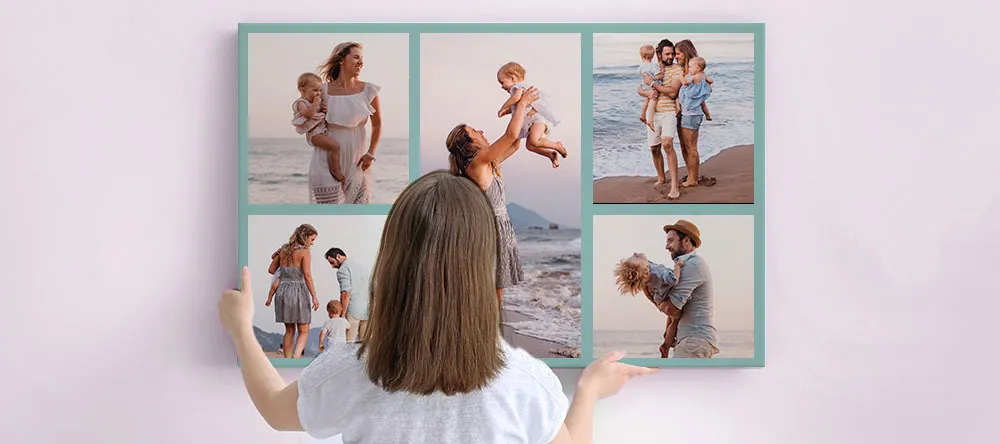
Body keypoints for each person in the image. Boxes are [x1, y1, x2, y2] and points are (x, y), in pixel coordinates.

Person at [219, 170, 658, 443]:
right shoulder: (523, 383)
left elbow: (275, 410)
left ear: (392, 262)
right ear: (480, 269)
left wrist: (242, 329)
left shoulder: (350, 372)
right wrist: (589, 390)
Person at [447, 86, 541, 306]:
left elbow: (514, 144)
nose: (481, 131)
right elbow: (510, 135)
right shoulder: (476, 162)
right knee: (492, 286)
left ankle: (491, 322)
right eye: (474, 132)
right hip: (490, 228)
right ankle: (489, 322)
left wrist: (518, 110)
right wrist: (523, 103)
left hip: (500, 226)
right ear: (468, 144)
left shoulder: (486, 162)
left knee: (496, 285)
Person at [309, 42, 382, 204]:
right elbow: (307, 117)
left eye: (362, 58)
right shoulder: (322, 90)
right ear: (341, 60)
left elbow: (377, 124)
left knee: (359, 208)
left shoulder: (369, 90)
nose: (361, 62)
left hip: (357, 161)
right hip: (326, 159)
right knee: (329, 210)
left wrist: (371, 153)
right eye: (356, 57)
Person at [650, 220, 719, 358]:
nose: (667, 247)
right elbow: (675, 312)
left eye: (670, 241)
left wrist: (650, 293)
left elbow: (671, 308)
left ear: (686, 240)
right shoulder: (687, 265)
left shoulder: (692, 265)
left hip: (694, 340)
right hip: (693, 340)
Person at [495, 61, 567, 168]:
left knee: (534, 141)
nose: (502, 86)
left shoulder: (518, 87)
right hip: (531, 122)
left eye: (502, 82)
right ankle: (550, 154)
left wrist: (503, 108)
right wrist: (506, 111)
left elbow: (516, 98)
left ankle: (557, 145)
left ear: (512, 78)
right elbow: (516, 106)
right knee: (530, 146)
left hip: (537, 119)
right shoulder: (519, 90)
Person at [639, 38, 685, 199]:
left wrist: (653, 84)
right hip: (653, 113)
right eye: (667, 54)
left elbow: (672, 92)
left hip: (668, 112)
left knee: (667, 143)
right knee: (654, 148)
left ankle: (674, 186)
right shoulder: (651, 68)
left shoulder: (677, 70)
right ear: (659, 54)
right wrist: (647, 92)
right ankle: (661, 177)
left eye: (672, 54)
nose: (671, 57)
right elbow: (640, 88)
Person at [265, 224, 321, 358]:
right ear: (305, 237)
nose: (312, 243)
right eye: (312, 239)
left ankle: (287, 359)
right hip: (298, 290)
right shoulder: (305, 252)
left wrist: (277, 256)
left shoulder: (283, 249)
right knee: (304, 329)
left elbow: (271, 270)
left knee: (289, 330)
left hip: (282, 290)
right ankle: (296, 358)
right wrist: (314, 297)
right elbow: (307, 275)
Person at [291, 72, 347, 185]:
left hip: (321, 131)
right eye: (315, 90)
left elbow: (318, 114)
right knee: (335, 146)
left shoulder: (312, 102)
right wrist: (316, 103)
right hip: (314, 135)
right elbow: (308, 115)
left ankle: (332, 167)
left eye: (320, 90)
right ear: (303, 90)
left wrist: (323, 109)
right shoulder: (300, 103)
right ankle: (335, 169)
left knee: (334, 147)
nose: (318, 93)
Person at [673, 39, 711, 188]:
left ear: (686, 52)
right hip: (684, 112)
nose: (676, 56)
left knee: (691, 146)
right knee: (684, 146)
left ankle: (694, 179)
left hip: (691, 113)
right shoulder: (687, 70)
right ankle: (690, 175)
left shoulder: (696, 72)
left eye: (678, 53)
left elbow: (707, 89)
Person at [325, 247, 370, 343]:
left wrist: (342, 314)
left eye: (332, 262)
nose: (332, 266)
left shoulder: (343, 270)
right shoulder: (362, 268)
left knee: (348, 343)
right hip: (367, 310)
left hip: (352, 310)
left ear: (338, 256)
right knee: (364, 344)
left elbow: (345, 292)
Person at [636, 44, 661, 131]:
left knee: (646, 101)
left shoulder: (641, 66)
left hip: (644, 86)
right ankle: (650, 120)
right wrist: (662, 74)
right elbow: (657, 76)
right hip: (651, 86)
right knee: (653, 100)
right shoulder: (653, 66)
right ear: (652, 56)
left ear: (641, 56)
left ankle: (642, 115)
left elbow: (640, 74)